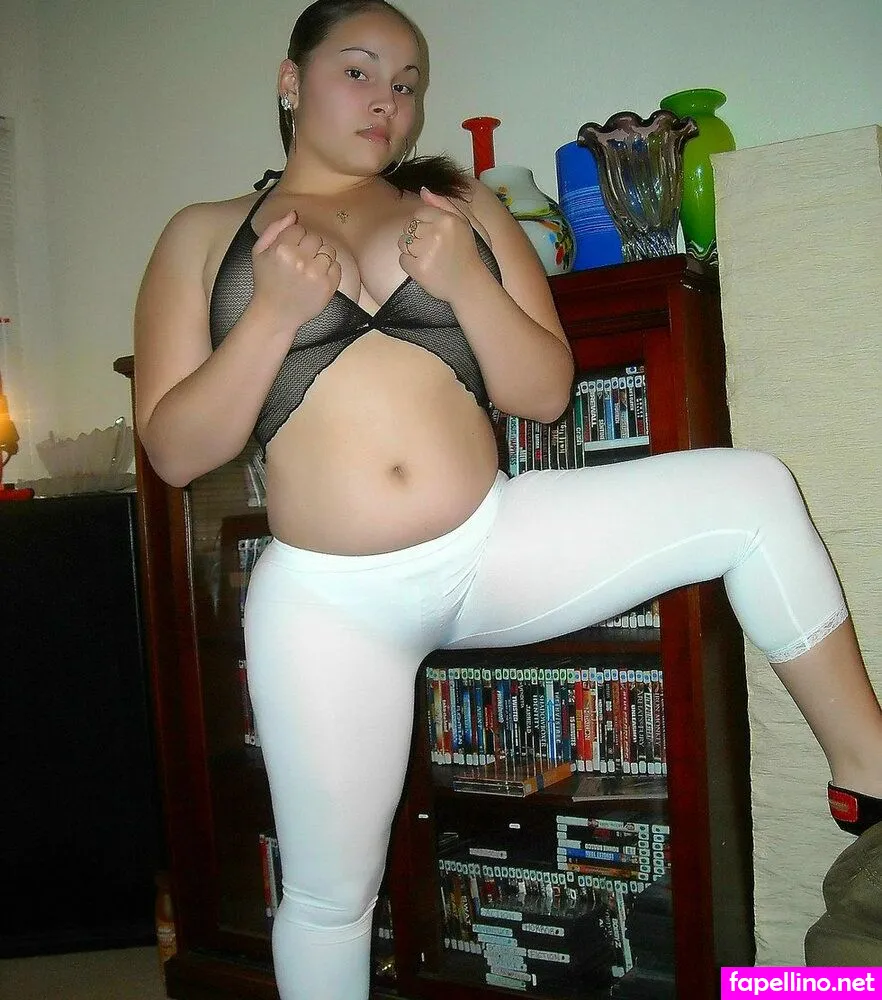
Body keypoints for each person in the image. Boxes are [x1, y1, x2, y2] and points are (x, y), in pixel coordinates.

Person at [133, 1, 882, 996]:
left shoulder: (460, 208)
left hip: (490, 543)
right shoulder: (204, 235)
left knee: (753, 493)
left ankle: (869, 775)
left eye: (407, 84)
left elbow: (543, 391)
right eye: (358, 71)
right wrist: (271, 316)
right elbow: (175, 450)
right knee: (328, 897)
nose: (388, 101)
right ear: (290, 80)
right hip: (328, 601)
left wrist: (466, 281)